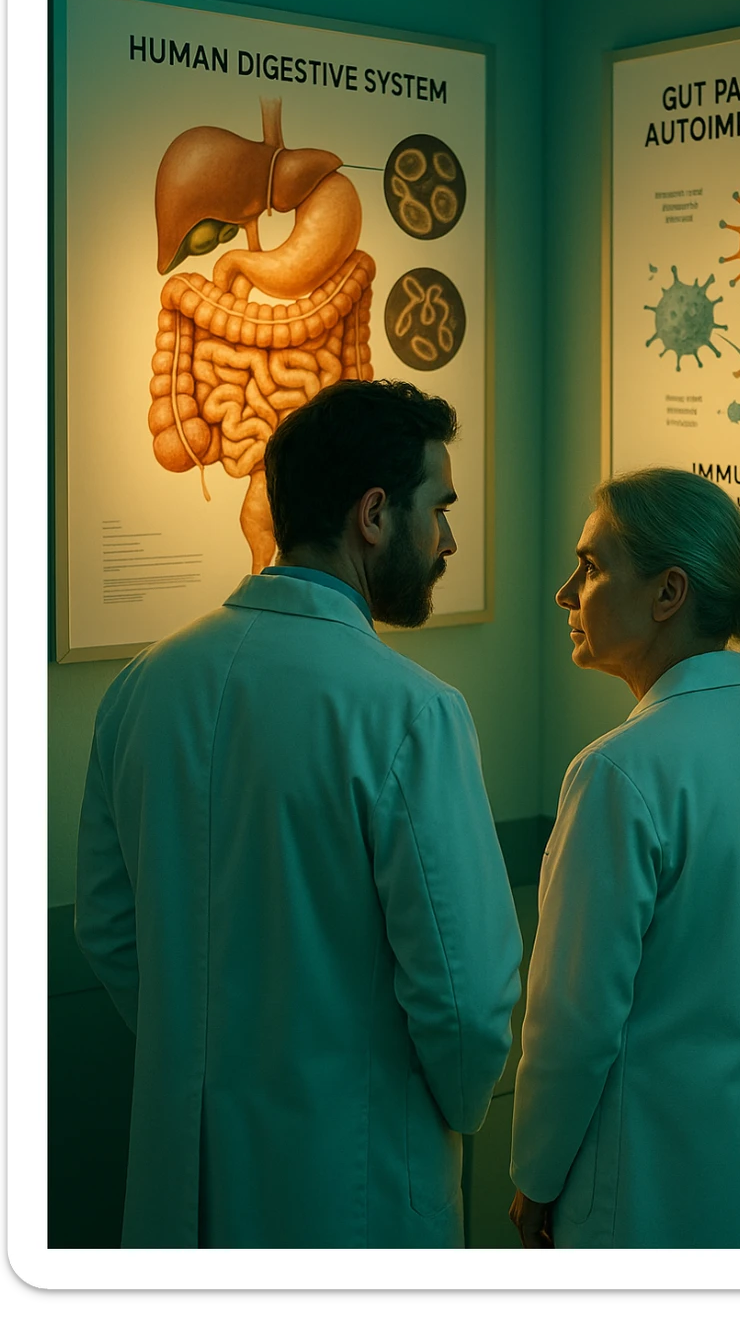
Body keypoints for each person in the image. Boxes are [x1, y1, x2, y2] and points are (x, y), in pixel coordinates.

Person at [75, 378, 522, 1249]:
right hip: (348, 1184)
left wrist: (198, 1047)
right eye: (441, 509)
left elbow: (109, 930)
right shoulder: (409, 711)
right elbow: (467, 998)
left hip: (182, 1180)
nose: (450, 540)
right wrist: (450, 1107)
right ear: (374, 514)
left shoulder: (141, 689)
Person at [509, 468, 740, 1249]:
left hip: (654, 1185)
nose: (567, 593)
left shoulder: (619, 772)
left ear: (669, 594)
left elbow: (574, 1020)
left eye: (591, 567)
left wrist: (537, 1174)